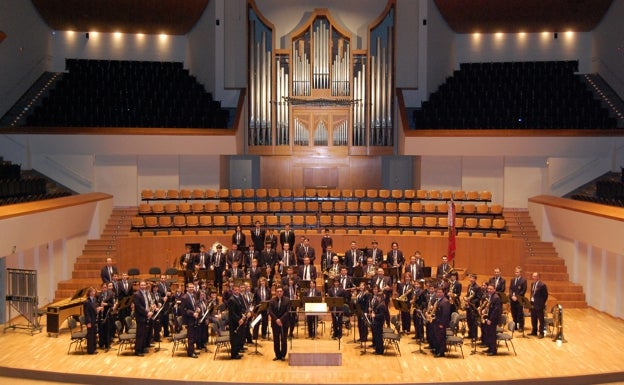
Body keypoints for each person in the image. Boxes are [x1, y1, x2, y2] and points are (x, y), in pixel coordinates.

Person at [268, 287, 290, 361]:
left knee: (284, 340)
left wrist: (281, 320)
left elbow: (287, 312)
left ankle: (283, 355)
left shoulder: (287, 300)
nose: (279, 293)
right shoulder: (272, 300)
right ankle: (277, 355)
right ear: (276, 292)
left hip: (284, 323)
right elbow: (270, 311)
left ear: (283, 292)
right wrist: (276, 320)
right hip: (275, 323)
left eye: (281, 291)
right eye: (278, 291)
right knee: (276, 340)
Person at [227, 283, 247, 359]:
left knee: (238, 337)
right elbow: (232, 313)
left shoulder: (238, 298)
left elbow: (239, 309)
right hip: (234, 322)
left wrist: (242, 315)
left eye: (238, 290)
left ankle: (237, 352)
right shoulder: (231, 300)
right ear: (233, 291)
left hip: (238, 320)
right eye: (235, 290)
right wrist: (239, 320)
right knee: (234, 339)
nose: (237, 291)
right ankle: (234, 354)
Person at [133, 280, 153, 357]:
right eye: (142, 285)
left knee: (144, 333)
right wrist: (147, 313)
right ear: (139, 286)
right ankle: (137, 350)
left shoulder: (145, 293)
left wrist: (151, 308)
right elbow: (139, 307)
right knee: (140, 334)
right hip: (141, 316)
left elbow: (146, 304)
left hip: (145, 316)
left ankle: (142, 347)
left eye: (144, 285)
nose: (143, 286)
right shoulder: (137, 294)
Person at [482, 284, 502, 356]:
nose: (489, 290)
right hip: (488, 317)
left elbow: (496, 311)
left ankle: (493, 350)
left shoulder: (496, 298)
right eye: (488, 289)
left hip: (493, 319)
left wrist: (490, 319)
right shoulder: (490, 296)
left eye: (491, 289)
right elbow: (489, 307)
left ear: (494, 290)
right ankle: (490, 348)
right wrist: (484, 310)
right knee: (488, 333)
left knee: (492, 335)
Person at [181, 282, 199, 358]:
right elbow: (183, 310)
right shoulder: (184, 297)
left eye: (192, 287)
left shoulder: (193, 296)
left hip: (194, 318)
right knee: (191, 337)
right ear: (187, 288)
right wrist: (192, 313)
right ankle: (190, 353)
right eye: (190, 287)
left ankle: (192, 350)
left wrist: (197, 308)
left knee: (194, 336)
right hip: (189, 319)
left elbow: (194, 305)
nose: (191, 288)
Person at [432, 287, 451, 357]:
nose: (439, 294)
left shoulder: (445, 302)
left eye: (440, 292)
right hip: (436, 321)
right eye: (438, 292)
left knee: (441, 338)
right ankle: (437, 349)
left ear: (443, 293)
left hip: (441, 323)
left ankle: (441, 352)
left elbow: (445, 315)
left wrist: (441, 324)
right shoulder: (438, 300)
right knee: (437, 336)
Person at [530, 272, 548, 338]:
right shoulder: (532, 284)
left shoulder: (542, 285)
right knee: (533, 318)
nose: (533, 277)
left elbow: (545, 295)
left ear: (538, 277)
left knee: (541, 319)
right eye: (533, 276)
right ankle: (534, 331)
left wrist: (541, 303)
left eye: (534, 276)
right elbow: (532, 294)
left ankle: (541, 333)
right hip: (533, 304)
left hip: (539, 305)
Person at [464, 273, 482, 342]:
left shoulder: (477, 287)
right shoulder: (469, 286)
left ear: (475, 279)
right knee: (469, 320)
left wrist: (471, 301)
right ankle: (470, 334)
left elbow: (478, 298)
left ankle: (475, 336)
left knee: (474, 322)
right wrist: (465, 297)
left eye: (472, 278)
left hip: (474, 307)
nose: (471, 279)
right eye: (470, 278)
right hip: (468, 306)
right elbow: (468, 294)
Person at [509, 266, 527, 332]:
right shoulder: (512, 280)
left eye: (518, 272)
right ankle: (515, 326)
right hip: (512, 299)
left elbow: (523, 290)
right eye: (515, 272)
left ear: (520, 273)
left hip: (519, 300)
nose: (516, 273)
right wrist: (511, 296)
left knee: (520, 314)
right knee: (513, 313)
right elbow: (510, 289)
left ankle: (521, 327)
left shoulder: (523, 280)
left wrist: (516, 297)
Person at [97, 282, 114, 351]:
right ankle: (101, 344)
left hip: (107, 314)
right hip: (100, 314)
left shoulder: (110, 294)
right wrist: (99, 306)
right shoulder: (99, 295)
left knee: (107, 330)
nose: (104, 289)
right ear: (101, 288)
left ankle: (107, 345)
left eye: (105, 287)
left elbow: (112, 304)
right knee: (101, 330)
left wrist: (106, 304)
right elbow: (97, 303)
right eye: (103, 287)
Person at [83, 287, 100, 355]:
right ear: (90, 293)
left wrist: (98, 309)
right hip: (90, 321)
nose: (94, 292)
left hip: (94, 319)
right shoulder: (87, 302)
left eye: (94, 291)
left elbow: (94, 309)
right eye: (93, 291)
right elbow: (86, 313)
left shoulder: (94, 299)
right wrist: (88, 322)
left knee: (94, 335)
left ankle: (94, 348)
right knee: (90, 336)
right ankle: (90, 350)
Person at [370, 290, 387, 355]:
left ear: (381, 297)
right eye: (377, 297)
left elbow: (382, 315)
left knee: (379, 337)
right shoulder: (379, 303)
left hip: (379, 323)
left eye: (379, 297)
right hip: (377, 322)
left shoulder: (382, 305)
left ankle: (380, 350)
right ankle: (378, 349)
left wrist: (375, 315)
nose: (378, 298)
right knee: (377, 337)